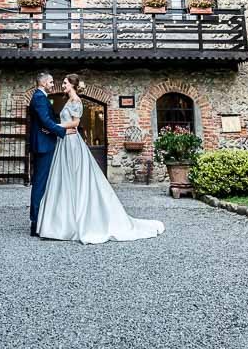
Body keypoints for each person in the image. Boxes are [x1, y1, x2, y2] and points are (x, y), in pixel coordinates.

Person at [36, 74, 165, 244]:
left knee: (75, 177)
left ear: (73, 85)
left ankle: (78, 219)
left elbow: (75, 123)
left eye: (65, 83)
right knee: (64, 179)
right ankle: (63, 221)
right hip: (64, 141)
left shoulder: (76, 101)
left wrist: (55, 126)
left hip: (72, 142)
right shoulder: (69, 101)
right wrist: (59, 129)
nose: (63, 85)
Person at [28, 72, 78, 237]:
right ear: (43, 83)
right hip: (43, 145)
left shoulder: (41, 97)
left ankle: (43, 219)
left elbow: (45, 122)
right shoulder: (39, 98)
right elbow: (45, 121)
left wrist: (53, 129)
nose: (52, 84)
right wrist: (62, 131)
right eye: (50, 82)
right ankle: (36, 222)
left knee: (44, 182)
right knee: (40, 183)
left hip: (45, 142)